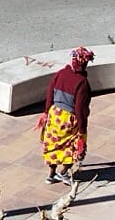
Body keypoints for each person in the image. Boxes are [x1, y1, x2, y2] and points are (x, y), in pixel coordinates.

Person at [37, 46, 94, 185]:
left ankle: (51, 175)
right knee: (72, 147)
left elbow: (50, 93)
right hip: (69, 119)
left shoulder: (61, 73)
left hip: (54, 115)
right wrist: (82, 130)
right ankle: (63, 173)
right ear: (85, 63)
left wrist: (46, 112)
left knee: (53, 145)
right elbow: (80, 109)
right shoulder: (82, 83)